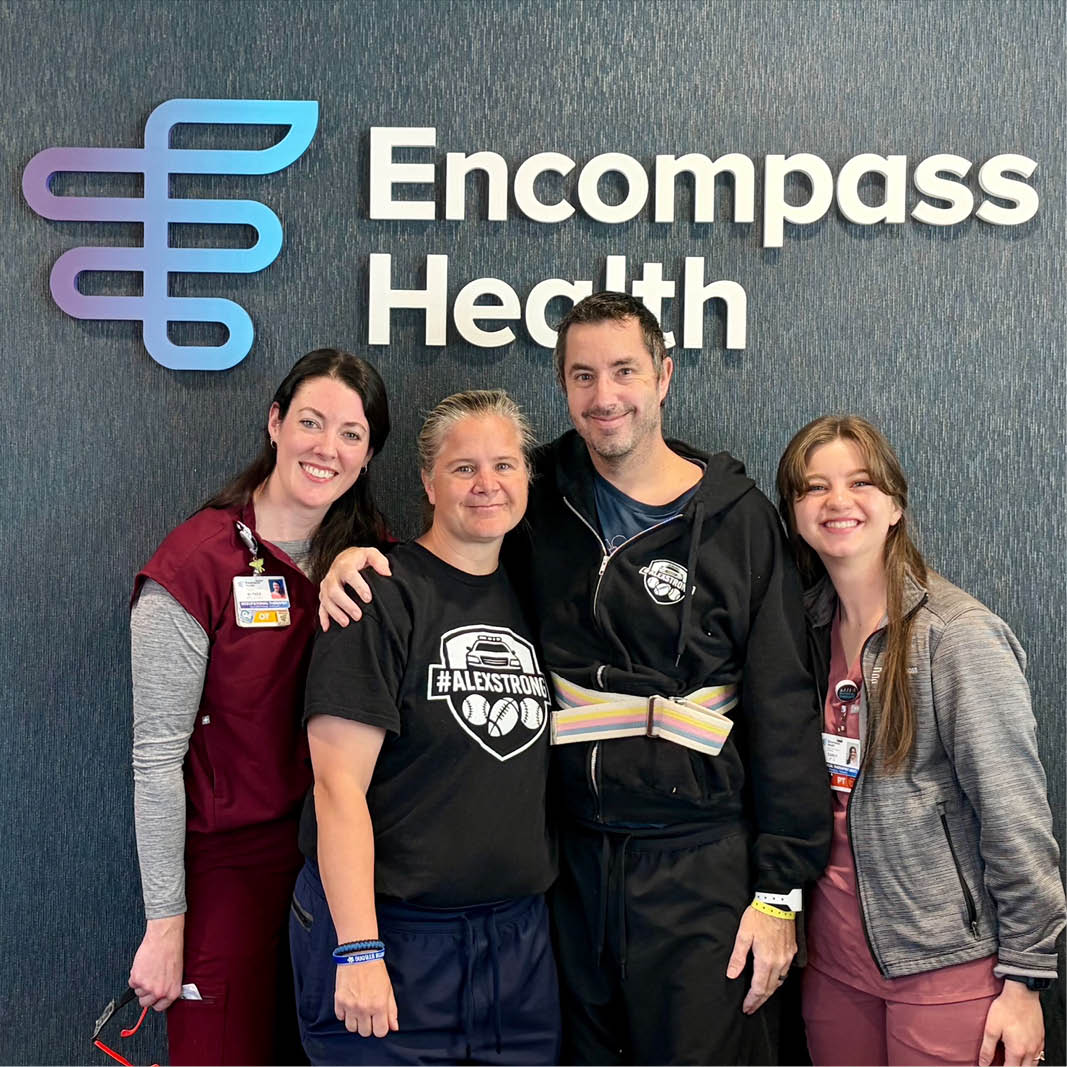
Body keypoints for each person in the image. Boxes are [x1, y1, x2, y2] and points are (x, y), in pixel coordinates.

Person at [320, 293, 831, 1065]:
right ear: (562, 387)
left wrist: (778, 891)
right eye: (582, 375)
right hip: (569, 873)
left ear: (663, 375)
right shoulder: (540, 495)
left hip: (700, 867)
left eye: (623, 370)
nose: (604, 395)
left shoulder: (738, 519)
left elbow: (784, 708)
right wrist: (362, 556)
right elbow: (459, 544)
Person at [127, 348, 391, 1066]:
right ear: (274, 422)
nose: (325, 448)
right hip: (230, 869)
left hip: (349, 866)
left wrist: (349, 558)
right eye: (310, 421)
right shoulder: (194, 564)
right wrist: (164, 921)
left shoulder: (380, 564)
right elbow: (155, 760)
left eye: (350, 433)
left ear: (367, 456)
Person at [776, 414, 1065, 1067]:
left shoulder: (956, 636)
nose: (837, 501)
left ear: (895, 504)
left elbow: (1015, 818)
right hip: (832, 970)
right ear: (792, 513)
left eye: (858, 482)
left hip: (949, 973)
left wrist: (1024, 978)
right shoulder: (798, 634)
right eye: (812, 486)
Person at [289, 390, 560, 1065]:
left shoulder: (537, 593)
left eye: (504, 464)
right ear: (427, 481)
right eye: (463, 467)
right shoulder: (378, 593)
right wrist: (357, 947)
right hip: (394, 933)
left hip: (516, 945)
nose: (487, 484)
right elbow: (335, 787)